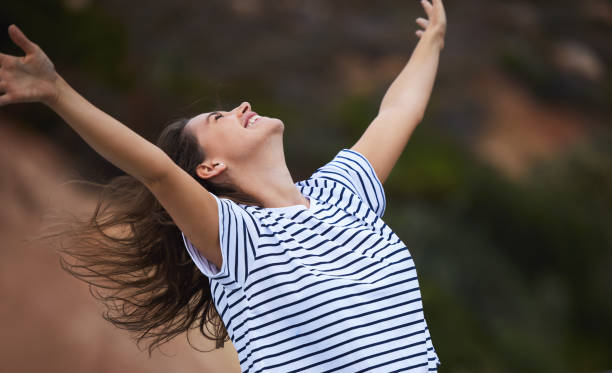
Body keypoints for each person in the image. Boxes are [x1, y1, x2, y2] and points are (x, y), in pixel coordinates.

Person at [0, 0, 446, 371]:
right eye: (218, 117)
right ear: (209, 167)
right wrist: (57, 92)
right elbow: (155, 170)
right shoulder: (239, 238)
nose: (242, 106)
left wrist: (434, 39)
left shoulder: (344, 194)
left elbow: (399, 112)